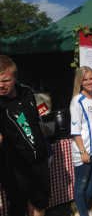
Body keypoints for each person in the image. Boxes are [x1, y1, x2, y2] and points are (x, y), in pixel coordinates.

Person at [0, 55, 50, 216]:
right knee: (18, 208)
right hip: (15, 167)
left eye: (6, 80)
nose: (1, 85)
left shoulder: (27, 92)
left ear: (14, 77)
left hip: (39, 161)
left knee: (40, 202)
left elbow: (37, 121)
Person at [70, 66, 92, 216]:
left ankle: (82, 209)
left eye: (91, 78)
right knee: (80, 185)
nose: (89, 82)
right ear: (80, 81)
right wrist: (83, 151)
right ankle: (83, 213)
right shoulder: (77, 101)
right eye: (85, 79)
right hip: (83, 149)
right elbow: (75, 131)